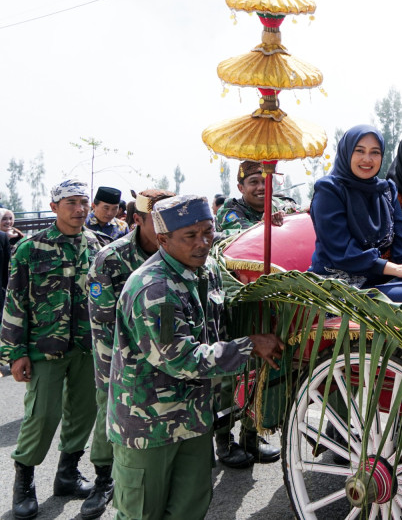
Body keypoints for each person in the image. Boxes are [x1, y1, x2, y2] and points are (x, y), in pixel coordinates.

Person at [107, 195, 283, 520]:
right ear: (163, 239)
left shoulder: (207, 268)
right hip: (150, 428)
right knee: (142, 514)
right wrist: (250, 346)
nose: (203, 243)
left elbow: (221, 324)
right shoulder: (154, 290)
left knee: (191, 509)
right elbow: (181, 359)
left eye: (208, 231)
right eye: (190, 236)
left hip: (194, 419)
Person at [1, 180, 104, 520]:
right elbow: (14, 303)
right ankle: (24, 481)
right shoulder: (31, 248)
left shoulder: (98, 246)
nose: (79, 209)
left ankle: (68, 474)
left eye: (83, 202)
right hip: (44, 348)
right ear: (54, 206)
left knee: (84, 411)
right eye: (71, 202)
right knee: (42, 416)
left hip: (87, 347)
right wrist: (14, 354)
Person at [82, 189, 175, 519]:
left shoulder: (179, 252)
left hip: (169, 361)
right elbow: (103, 326)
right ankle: (103, 479)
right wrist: (112, 378)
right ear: (138, 220)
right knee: (112, 418)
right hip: (122, 362)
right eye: (160, 221)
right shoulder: (110, 259)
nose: (169, 228)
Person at [309, 125, 402, 314]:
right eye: (359, 151)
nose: (367, 159)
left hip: (375, 281)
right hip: (336, 287)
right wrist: (396, 269)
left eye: (375, 152)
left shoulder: (386, 190)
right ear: (347, 152)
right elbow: (342, 252)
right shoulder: (329, 190)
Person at [216, 161, 293, 233]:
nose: (261, 187)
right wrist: (262, 225)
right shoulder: (229, 210)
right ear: (241, 188)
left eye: (266, 181)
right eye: (254, 182)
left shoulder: (284, 204)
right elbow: (244, 236)